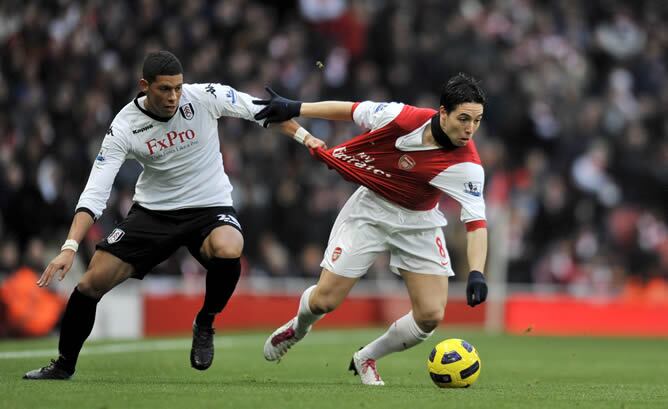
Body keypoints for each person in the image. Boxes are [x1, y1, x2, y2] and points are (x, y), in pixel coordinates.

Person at [23, 50, 322, 380]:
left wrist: (308, 139)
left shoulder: (204, 97)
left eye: (178, 88)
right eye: (165, 89)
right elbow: (96, 191)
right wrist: (69, 247)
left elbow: (263, 111)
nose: (174, 96)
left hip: (209, 205)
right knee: (90, 284)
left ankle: (205, 322)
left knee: (230, 247)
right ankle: (64, 365)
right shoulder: (124, 125)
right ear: (144, 86)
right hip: (155, 212)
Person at [253, 73, 489, 386]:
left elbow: (476, 224)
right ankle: (298, 327)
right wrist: (297, 107)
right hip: (371, 210)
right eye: (464, 118)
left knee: (430, 315)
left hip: (419, 222)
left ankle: (367, 357)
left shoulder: (468, 166)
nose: (470, 129)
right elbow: (351, 109)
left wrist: (476, 272)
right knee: (325, 301)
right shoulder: (402, 118)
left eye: (477, 120)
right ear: (442, 113)